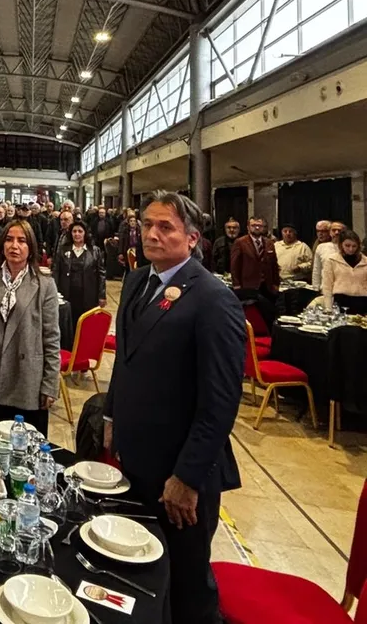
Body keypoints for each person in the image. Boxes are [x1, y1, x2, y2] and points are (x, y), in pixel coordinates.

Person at [103, 191, 244, 624]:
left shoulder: (212, 298)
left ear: (192, 237)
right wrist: (111, 417)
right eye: (147, 225)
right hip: (136, 459)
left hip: (179, 474)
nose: (153, 234)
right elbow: (125, 362)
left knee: (186, 588)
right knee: (139, 572)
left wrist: (187, 477)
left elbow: (220, 401)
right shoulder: (136, 281)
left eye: (166, 227)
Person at [0, 219, 60, 436]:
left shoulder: (44, 284)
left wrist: (50, 384)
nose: (14, 246)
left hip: (26, 379)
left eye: (22, 241)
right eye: (9, 239)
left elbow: (51, 339)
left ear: (31, 247)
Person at [53, 221, 107, 328]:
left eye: (80, 231)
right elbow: (56, 271)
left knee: (86, 324)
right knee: (69, 323)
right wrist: (54, 292)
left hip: (88, 294)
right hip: (68, 293)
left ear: (85, 233)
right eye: (74, 231)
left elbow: (101, 274)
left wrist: (102, 295)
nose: (77, 234)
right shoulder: (63, 250)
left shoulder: (95, 251)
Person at [230, 216, 280, 326]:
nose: (257, 227)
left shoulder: (269, 243)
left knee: (268, 315)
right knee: (251, 317)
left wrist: (276, 283)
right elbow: (234, 265)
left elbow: (274, 265)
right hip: (248, 285)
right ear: (248, 227)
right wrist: (237, 284)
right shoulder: (240, 242)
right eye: (253, 225)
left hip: (267, 285)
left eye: (259, 225)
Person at [322, 230, 367, 314]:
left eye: (354, 246)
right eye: (347, 245)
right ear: (341, 245)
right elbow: (327, 285)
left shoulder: (365, 261)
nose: (351, 249)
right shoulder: (332, 260)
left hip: (363, 301)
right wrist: (328, 308)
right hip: (341, 300)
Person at [313, 221, 347, 289]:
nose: (337, 233)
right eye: (334, 230)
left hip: (345, 288)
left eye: (339, 230)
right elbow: (317, 270)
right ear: (330, 232)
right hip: (326, 288)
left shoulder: (349, 248)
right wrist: (316, 287)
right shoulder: (321, 247)